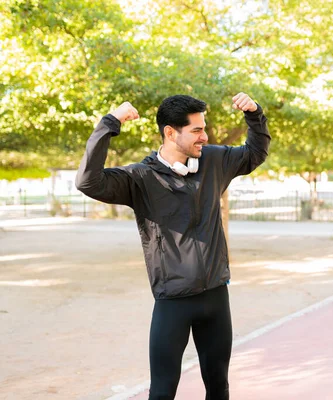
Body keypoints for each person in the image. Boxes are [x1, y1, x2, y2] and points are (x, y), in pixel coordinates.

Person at [76, 93, 270, 400]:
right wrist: (110, 123)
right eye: (196, 130)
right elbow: (88, 181)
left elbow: (255, 153)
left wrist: (255, 114)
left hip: (216, 296)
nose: (204, 136)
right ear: (170, 132)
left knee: (219, 387)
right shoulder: (140, 177)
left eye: (203, 128)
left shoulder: (215, 161)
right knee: (163, 391)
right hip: (173, 302)